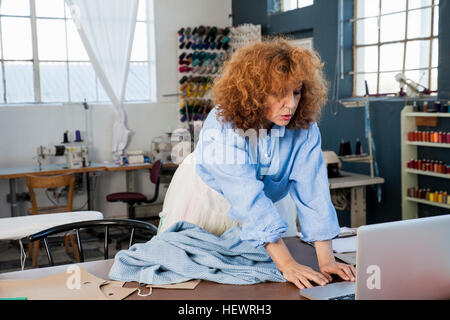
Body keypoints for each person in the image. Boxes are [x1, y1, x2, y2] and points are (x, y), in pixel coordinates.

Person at [158, 37, 356, 289]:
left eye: (296, 92)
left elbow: (313, 191)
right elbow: (246, 198)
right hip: (209, 199)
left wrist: (326, 261)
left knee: (265, 281)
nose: (292, 104)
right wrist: (287, 264)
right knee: (199, 280)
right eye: (279, 94)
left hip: (268, 201)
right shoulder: (223, 126)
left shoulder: (304, 129)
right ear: (254, 93)